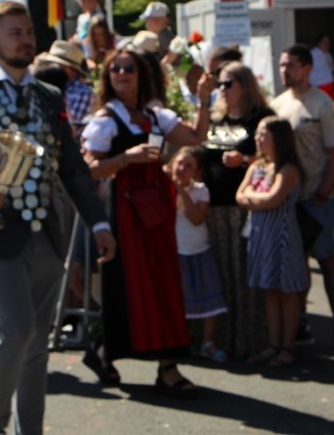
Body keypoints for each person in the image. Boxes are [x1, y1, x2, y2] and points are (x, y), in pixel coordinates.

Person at [0, 0, 115, 435]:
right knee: (14, 331)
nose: (26, 40)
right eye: (15, 32)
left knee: (36, 346)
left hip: (45, 234)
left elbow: (72, 168)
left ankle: (29, 430)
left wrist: (99, 222)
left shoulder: (49, 97)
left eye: (28, 32)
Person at [82, 48, 213, 397]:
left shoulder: (156, 115)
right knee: (129, 283)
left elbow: (196, 138)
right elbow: (88, 169)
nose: (122, 73)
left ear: (141, 74)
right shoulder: (106, 119)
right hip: (124, 209)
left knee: (163, 281)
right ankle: (105, 350)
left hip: (156, 206)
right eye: (115, 69)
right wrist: (126, 158)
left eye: (129, 68)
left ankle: (166, 365)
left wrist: (203, 100)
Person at [271, 44, 334, 355]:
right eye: (282, 65)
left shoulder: (323, 105)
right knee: (297, 263)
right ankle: (301, 319)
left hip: (317, 197)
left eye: (290, 65)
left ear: (307, 68)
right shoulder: (277, 104)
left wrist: (324, 191)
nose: (284, 71)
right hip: (288, 199)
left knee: (327, 259)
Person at [202, 61, 273, 358]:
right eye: (219, 84)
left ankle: (251, 341)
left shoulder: (261, 118)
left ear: (245, 86)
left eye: (228, 84)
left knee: (245, 275)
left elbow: (275, 157)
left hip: (245, 208)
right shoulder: (215, 118)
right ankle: (221, 340)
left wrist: (244, 161)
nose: (222, 89)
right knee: (220, 274)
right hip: (215, 208)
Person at [236, 117, 309, 367]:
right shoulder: (257, 166)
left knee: (287, 291)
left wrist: (253, 198)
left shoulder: (288, 170)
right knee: (269, 291)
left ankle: (287, 347)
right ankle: (273, 344)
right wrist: (258, 198)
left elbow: (273, 199)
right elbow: (240, 196)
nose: (258, 139)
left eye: (263, 134)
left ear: (278, 138)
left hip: (282, 236)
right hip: (260, 236)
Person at [169, 145, 228, 363]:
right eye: (180, 163)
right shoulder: (162, 188)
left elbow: (196, 218)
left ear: (196, 172)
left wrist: (181, 190)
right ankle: (181, 342)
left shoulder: (201, 191)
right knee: (178, 302)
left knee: (209, 299)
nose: (182, 169)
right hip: (175, 253)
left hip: (199, 252)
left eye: (189, 166)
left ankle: (207, 342)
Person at [36, 40, 95, 128]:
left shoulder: (82, 92)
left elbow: (67, 123)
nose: (53, 67)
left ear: (73, 71)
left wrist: (62, 105)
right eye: (50, 63)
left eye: (59, 66)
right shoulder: (37, 84)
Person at [310, 34, 334, 100]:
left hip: (330, 86)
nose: (327, 43)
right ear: (319, 43)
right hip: (318, 87)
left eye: (328, 41)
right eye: (325, 41)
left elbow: (332, 70)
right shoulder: (312, 54)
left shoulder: (328, 55)